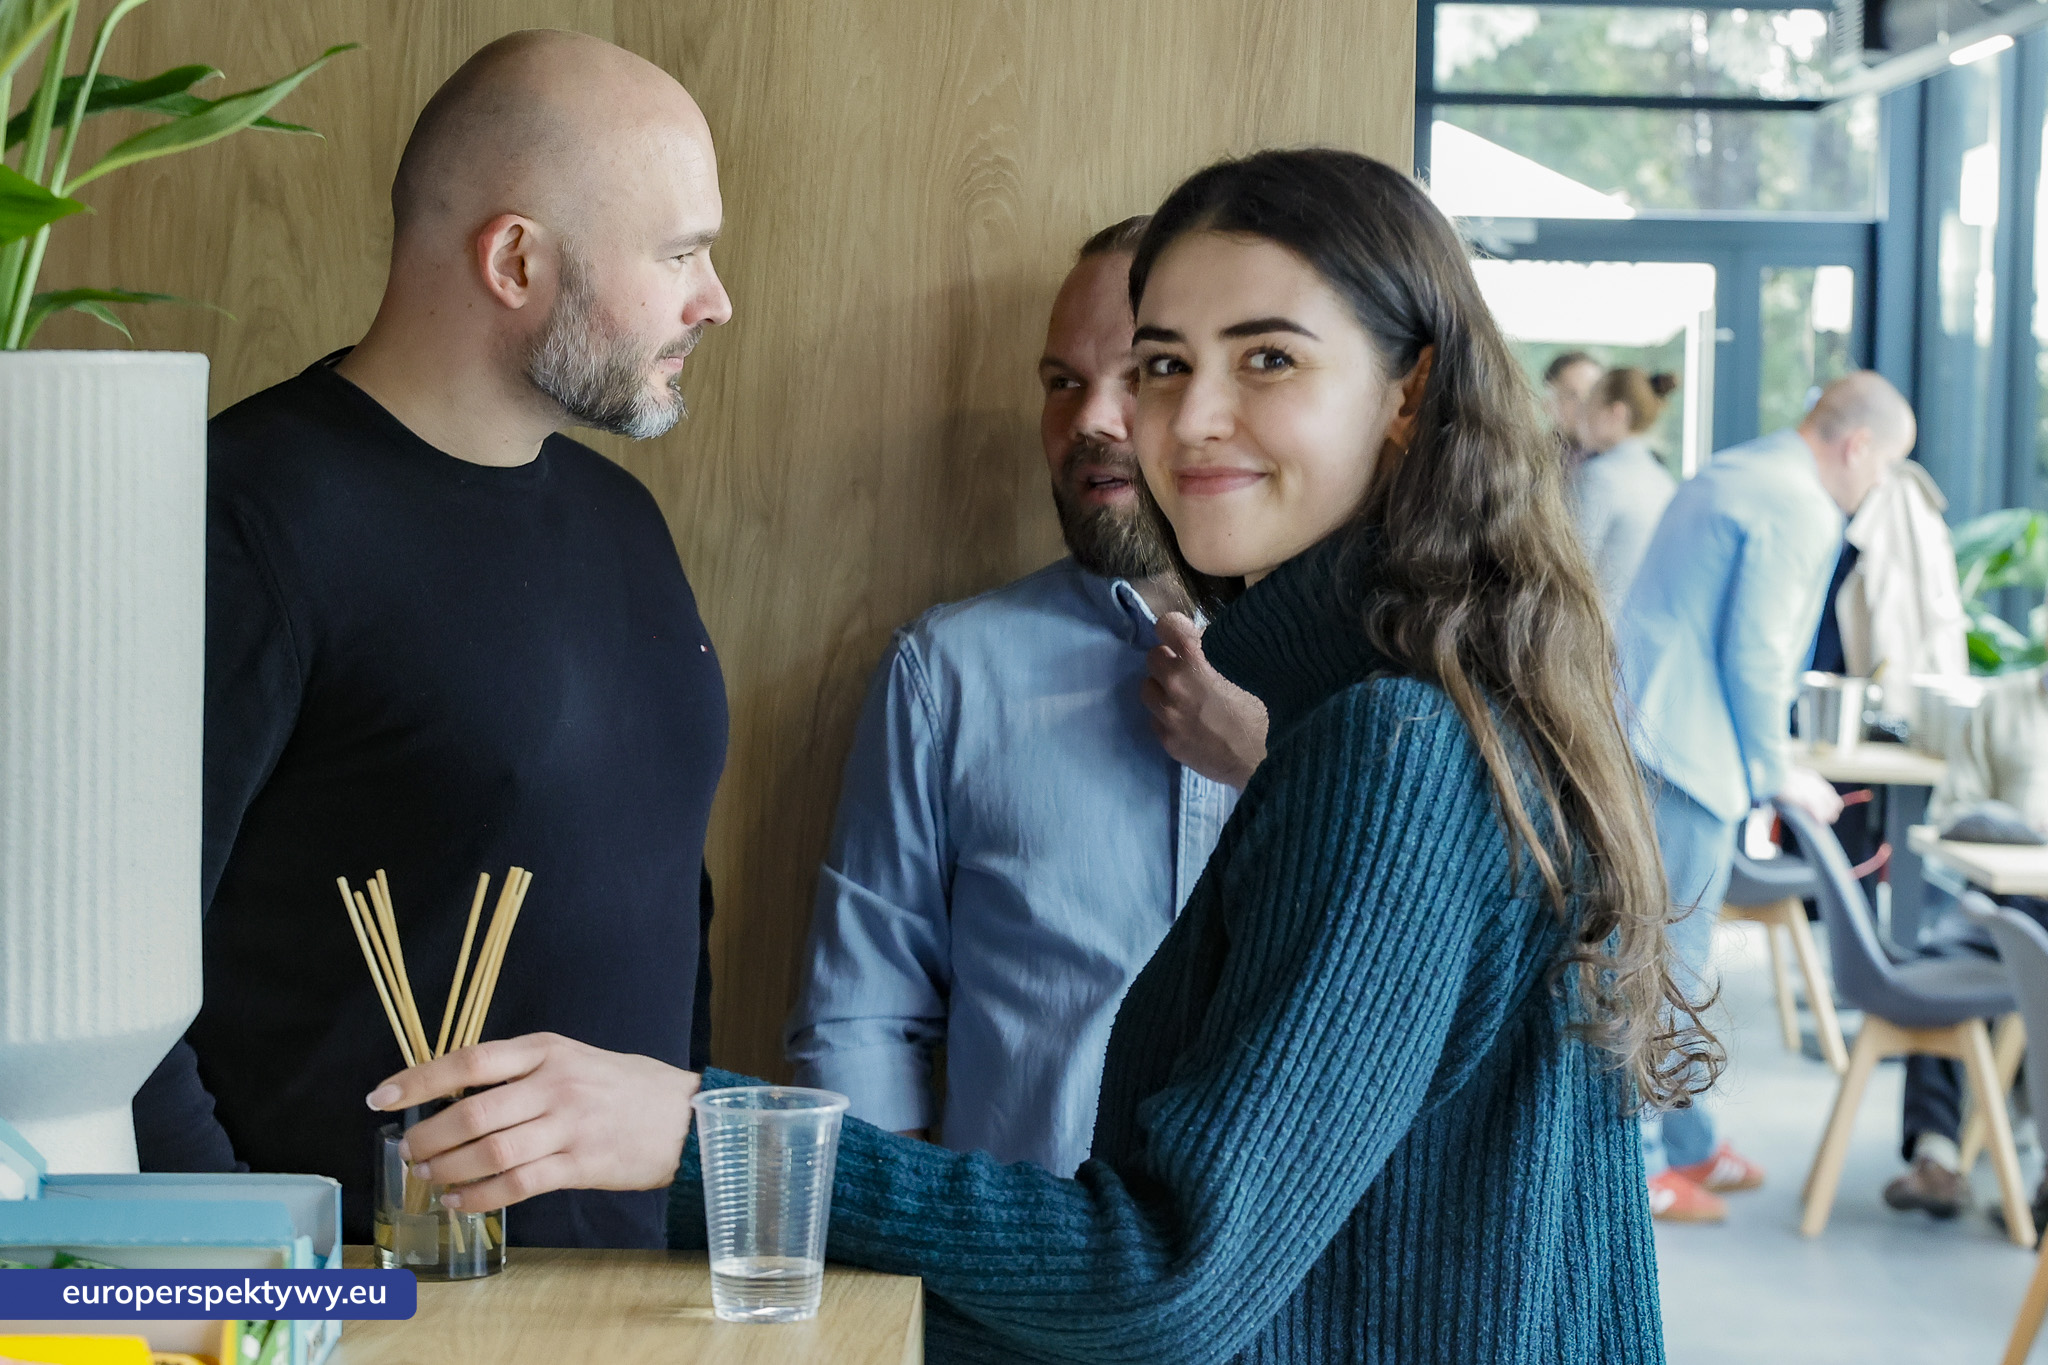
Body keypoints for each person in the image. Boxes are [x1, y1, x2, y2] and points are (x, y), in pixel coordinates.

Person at [376, 148, 1710, 1363]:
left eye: (1268, 359)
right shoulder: (1429, 704)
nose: (1182, 419)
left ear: (1408, 392)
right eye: (1165, 364)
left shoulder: (1391, 748)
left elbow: (1167, 1281)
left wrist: (696, 1133)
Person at [129, 30, 733, 1250]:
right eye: (679, 254)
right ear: (514, 260)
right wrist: (262, 1289)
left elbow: (666, 913)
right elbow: (110, 999)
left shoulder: (624, 520)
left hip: (638, 1306)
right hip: (354, 1304)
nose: (714, 300)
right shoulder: (236, 520)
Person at [783, 218, 1268, 1176]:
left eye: (1139, 374)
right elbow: (858, 1030)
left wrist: (1270, 761)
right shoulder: (946, 675)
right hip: (1016, 1262)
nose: (1091, 419)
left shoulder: (1366, 677)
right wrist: (908, 1250)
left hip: (1298, 1269)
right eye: (1062, 382)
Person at [1621, 371, 1917, 1222]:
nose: (1879, 486)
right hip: (1685, 750)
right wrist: (1777, 770)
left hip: (1653, 730)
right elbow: (1755, 652)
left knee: (1664, 954)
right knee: (1664, 966)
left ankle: (1688, 1142)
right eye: (1886, 466)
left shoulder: (1745, 467)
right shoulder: (1798, 503)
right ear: (1857, 445)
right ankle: (1641, 1167)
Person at [1884, 665, 2048, 1220]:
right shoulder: (2001, 704)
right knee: (1939, 966)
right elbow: (1954, 810)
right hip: (2004, 903)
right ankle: (1937, 1156)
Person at [1570, 368, 1678, 616]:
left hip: (1599, 627)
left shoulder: (1599, 477)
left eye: (1589, 404)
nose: (1581, 415)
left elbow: (1568, 565)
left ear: (1616, 413)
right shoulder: (1664, 481)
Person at [1544, 349, 1601, 463]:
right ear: (1548, 403)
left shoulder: (1619, 457)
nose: (1584, 404)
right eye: (1571, 395)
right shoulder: (1536, 458)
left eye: (1592, 394)